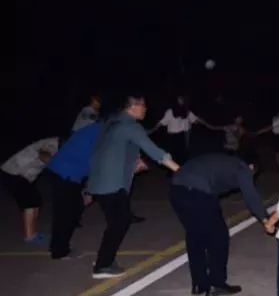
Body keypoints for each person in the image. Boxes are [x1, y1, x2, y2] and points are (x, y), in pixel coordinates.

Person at [87, 94, 180, 279]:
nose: (145, 109)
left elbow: (115, 146)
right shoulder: (130, 126)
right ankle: (102, 265)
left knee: (116, 222)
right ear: (133, 106)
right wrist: (180, 170)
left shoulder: (111, 122)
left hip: (98, 180)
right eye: (143, 105)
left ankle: (104, 259)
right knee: (119, 222)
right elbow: (155, 151)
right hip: (112, 184)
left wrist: (134, 160)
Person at [170, 151, 268, 296]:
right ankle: (216, 283)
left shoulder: (223, 162)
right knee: (219, 237)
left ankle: (199, 284)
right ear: (252, 166)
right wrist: (265, 219)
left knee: (195, 236)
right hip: (197, 192)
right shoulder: (241, 168)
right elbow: (251, 196)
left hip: (176, 190)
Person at [41, 122, 102, 259]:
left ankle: (59, 246)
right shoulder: (103, 133)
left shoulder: (96, 129)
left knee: (71, 211)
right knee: (66, 213)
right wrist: (89, 191)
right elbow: (98, 164)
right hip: (66, 173)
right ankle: (59, 251)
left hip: (68, 171)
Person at [1, 137, 60, 242]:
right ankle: (30, 237)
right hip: (15, 172)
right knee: (31, 203)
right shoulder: (53, 143)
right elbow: (43, 154)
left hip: (20, 174)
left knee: (35, 202)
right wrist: (58, 166)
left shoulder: (56, 143)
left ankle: (32, 233)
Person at [148, 95, 206, 166]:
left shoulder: (186, 111)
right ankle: (174, 169)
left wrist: (205, 123)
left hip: (181, 136)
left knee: (181, 155)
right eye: (179, 99)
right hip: (172, 137)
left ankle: (181, 168)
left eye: (182, 99)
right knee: (172, 155)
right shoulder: (170, 111)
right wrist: (152, 129)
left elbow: (195, 120)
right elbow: (162, 122)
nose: (181, 101)